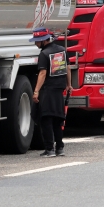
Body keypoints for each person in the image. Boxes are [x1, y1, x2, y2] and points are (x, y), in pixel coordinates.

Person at [29, 27, 72, 157]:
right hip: (59, 90)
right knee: (58, 120)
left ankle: (49, 149)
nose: (36, 43)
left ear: (44, 40)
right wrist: (69, 85)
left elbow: (42, 73)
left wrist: (36, 91)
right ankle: (60, 148)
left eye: (38, 40)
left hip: (47, 91)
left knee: (45, 119)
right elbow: (68, 68)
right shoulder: (62, 51)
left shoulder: (44, 54)